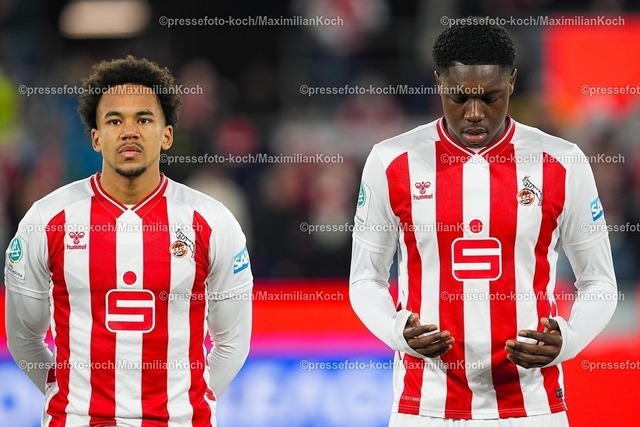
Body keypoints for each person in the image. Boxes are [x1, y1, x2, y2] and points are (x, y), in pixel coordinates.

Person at [349, 22, 617, 427]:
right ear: (439, 82)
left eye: (490, 98)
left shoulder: (563, 162)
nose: (474, 113)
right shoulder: (391, 161)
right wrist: (395, 330)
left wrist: (570, 340)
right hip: (425, 406)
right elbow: (364, 279)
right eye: (458, 98)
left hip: (532, 406)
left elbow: (599, 281)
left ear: (512, 82)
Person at [4, 56, 252, 426]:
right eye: (115, 120)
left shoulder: (212, 222)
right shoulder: (46, 220)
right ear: (96, 137)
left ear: (167, 135)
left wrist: (184, 405)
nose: (129, 131)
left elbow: (233, 343)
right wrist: (72, 399)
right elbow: (24, 339)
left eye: (144, 119)